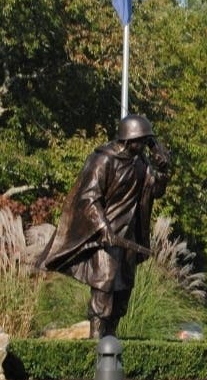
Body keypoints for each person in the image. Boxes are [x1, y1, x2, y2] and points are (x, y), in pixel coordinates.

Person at [37, 115, 170, 339]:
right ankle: (96, 344)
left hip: (129, 237)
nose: (146, 145)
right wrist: (102, 226)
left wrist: (164, 171)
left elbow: (155, 190)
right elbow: (88, 198)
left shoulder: (141, 163)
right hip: (105, 238)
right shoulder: (103, 160)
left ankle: (111, 342)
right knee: (104, 286)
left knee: (122, 292)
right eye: (144, 140)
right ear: (131, 140)